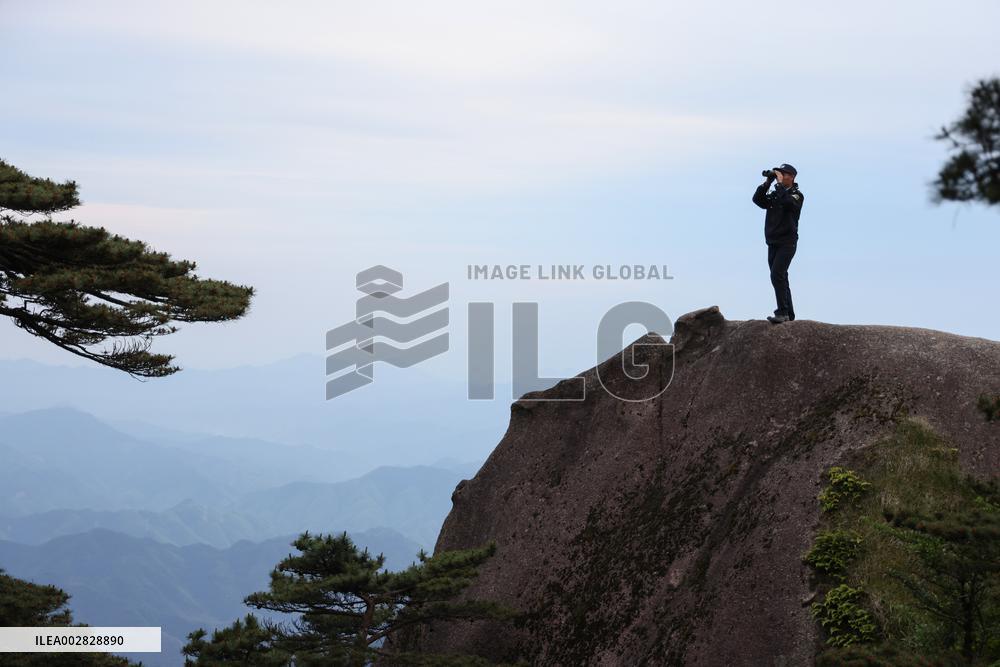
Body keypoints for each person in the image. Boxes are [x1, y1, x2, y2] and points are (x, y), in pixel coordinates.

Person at [752, 163, 804, 324]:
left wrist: (780, 185)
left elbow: (789, 204)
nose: (780, 176)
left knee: (777, 275)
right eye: (779, 173)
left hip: (787, 242)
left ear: (792, 177)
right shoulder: (775, 195)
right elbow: (758, 200)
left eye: (784, 174)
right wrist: (767, 183)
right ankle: (789, 313)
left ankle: (782, 312)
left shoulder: (797, 195)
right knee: (781, 277)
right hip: (772, 242)